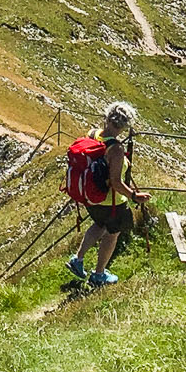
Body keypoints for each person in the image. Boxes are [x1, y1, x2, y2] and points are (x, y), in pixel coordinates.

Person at [67, 101, 147, 287]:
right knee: (112, 233)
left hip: (91, 197)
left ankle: (77, 259)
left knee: (99, 224)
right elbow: (116, 183)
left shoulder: (92, 134)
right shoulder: (116, 149)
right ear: (126, 125)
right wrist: (134, 196)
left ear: (107, 117)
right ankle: (99, 274)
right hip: (111, 201)